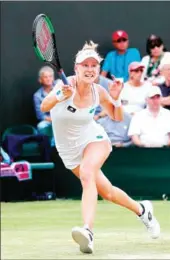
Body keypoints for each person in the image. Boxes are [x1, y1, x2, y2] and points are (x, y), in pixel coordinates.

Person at [40, 41, 160, 254]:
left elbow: (116, 117)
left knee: (87, 174)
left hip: (94, 139)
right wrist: (60, 96)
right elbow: (44, 106)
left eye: (93, 65)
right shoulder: (63, 87)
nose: (89, 69)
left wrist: (115, 98)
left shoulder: (99, 91)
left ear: (98, 69)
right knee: (108, 193)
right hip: (69, 150)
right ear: (76, 68)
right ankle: (143, 210)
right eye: (84, 65)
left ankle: (88, 231)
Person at [33, 66, 56, 146]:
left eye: (50, 76)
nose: (48, 79)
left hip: (64, 116)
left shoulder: (59, 86)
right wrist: (54, 120)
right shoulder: (37, 95)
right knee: (41, 126)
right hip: (49, 119)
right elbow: (40, 115)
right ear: (40, 80)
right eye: (45, 77)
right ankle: (51, 148)